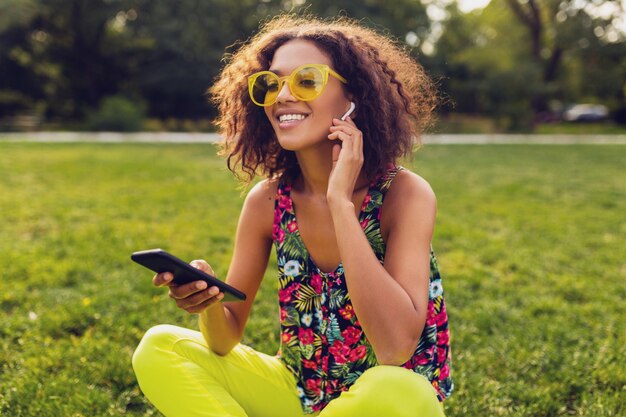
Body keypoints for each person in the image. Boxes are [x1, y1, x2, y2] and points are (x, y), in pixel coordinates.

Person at [132, 14, 453, 417]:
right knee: (161, 346)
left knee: (399, 389)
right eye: (270, 84)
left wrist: (340, 202)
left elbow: (395, 347)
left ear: (353, 96)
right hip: (299, 394)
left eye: (306, 80)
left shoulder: (405, 195)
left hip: (384, 400)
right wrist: (209, 301)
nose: (282, 96)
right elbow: (224, 339)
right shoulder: (268, 201)